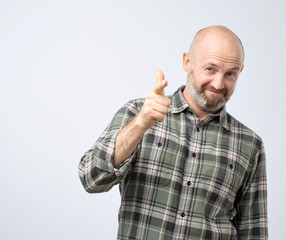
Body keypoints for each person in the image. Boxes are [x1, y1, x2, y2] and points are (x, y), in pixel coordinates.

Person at [79, 25, 268, 240]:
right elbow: (91, 179)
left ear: (240, 71)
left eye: (230, 74)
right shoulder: (137, 113)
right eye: (210, 69)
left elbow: (253, 231)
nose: (218, 83)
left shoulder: (250, 144)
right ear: (188, 62)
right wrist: (141, 123)